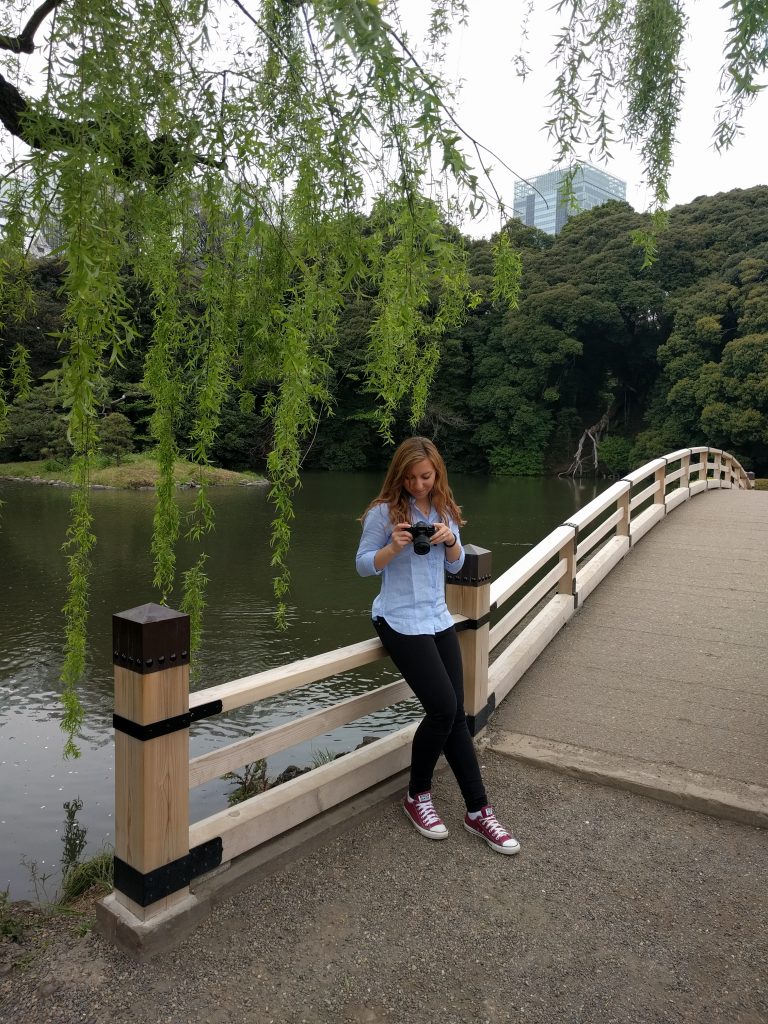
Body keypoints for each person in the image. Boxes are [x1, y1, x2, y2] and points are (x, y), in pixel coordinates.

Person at [355, 436, 520, 855]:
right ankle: (417, 795)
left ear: (437, 473)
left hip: (437, 616)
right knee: (444, 709)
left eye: (425, 476)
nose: (418, 484)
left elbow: (458, 564)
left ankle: (478, 810)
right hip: (397, 619)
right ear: (399, 474)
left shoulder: (445, 509)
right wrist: (392, 546)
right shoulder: (382, 513)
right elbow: (362, 566)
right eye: (410, 477)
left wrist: (450, 540)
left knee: (457, 715)